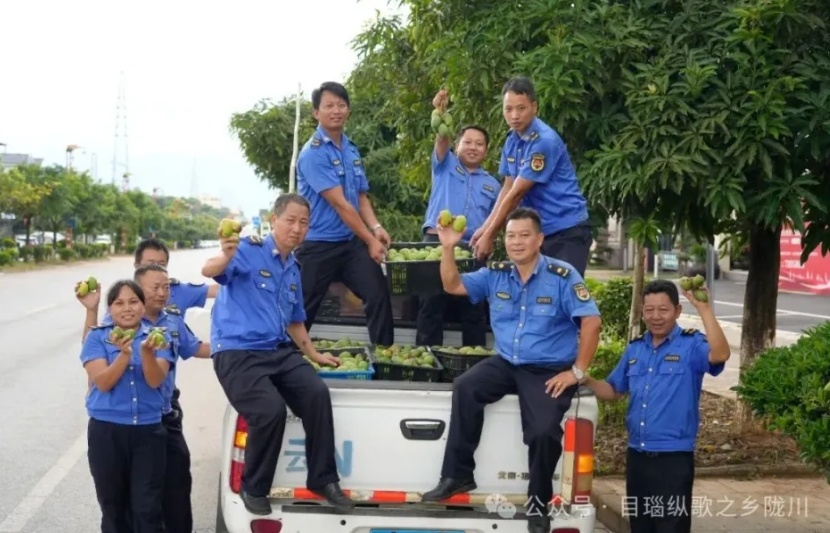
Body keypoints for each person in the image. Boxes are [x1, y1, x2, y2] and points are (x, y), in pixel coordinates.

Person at [420, 207, 603, 533]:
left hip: (547, 369)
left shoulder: (562, 276)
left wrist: (576, 372)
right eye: (511, 235)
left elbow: (591, 323)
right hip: (506, 362)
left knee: (544, 432)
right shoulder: (496, 273)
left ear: (540, 239)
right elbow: (452, 285)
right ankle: (458, 475)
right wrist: (448, 247)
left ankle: (538, 505)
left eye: (524, 235)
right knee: (466, 387)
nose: (516, 242)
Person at [202, 192, 355, 516]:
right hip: (237, 352)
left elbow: (295, 320)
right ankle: (253, 487)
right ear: (274, 220)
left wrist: (313, 354)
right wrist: (227, 255)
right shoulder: (247, 249)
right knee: (269, 410)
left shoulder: (293, 268)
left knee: (316, 394)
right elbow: (209, 269)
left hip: (276, 350)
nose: (297, 228)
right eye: (291, 220)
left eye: (304, 223)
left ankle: (323, 479)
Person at [583, 279, 730, 533]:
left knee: (671, 527)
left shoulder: (691, 345)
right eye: (649, 310)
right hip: (637, 458)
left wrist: (705, 310)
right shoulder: (635, 349)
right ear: (642, 312)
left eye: (663, 310)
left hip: (673, 460)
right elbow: (614, 389)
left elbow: (720, 355)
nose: (656, 316)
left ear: (677, 311)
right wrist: (585, 380)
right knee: (641, 527)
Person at [295, 81, 394, 346]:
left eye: (341, 105)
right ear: (316, 112)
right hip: (317, 245)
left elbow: (360, 196)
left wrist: (376, 228)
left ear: (348, 109)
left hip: (349, 244)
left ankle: (384, 357)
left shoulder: (351, 149)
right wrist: (371, 241)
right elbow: (341, 205)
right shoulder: (312, 153)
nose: (336, 110)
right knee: (301, 310)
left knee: (378, 293)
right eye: (329, 106)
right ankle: (284, 360)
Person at [471, 76, 593, 277]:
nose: (514, 115)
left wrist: (490, 235)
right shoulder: (512, 140)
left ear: (534, 107)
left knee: (563, 298)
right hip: (538, 233)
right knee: (536, 300)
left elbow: (517, 193)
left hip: (567, 230)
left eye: (521, 108)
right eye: (508, 109)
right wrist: (484, 228)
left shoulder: (543, 141)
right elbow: (507, 188)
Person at [81, 279, 176, 532]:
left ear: (143, 307)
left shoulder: (160, 337)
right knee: (113, 506)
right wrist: (124, 355)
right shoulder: (97, 337)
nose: (127, 308)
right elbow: (102, 382)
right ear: (109, 309)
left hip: (148, 433)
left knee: (147, 507)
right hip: (107, 432)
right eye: (119, 303)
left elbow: (156, 380)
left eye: (134, 301)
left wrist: (145, 352)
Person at [416, 89, 501, 348]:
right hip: (436, 243)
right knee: (431, 306)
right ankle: (428, 361)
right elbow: (441, 136)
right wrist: (440, 111)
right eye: (468, 142)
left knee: (473, 310)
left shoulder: (493, 184)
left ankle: (472, 365)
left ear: (486, 150)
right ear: (457, 145)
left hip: (471, 249)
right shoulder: (445, 164)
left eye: (479, 143)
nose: (473, 147)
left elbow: (494, 220)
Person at [132, 263, 211, 533]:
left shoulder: (173, 320)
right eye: (155, 287)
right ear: (138, 289)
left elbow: (196, 347)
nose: (162, 293)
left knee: (178, 478)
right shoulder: (124, 321)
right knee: (145, 489)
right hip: (137, 421)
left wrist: (236, 347)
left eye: (166, 287)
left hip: (166, 414)